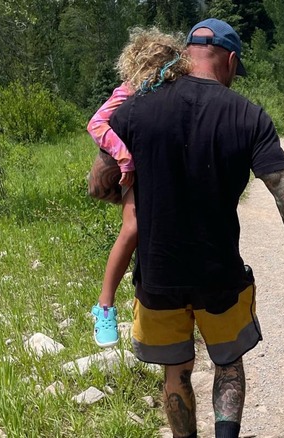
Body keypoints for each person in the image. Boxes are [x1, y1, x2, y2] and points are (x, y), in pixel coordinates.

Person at [109, 18, 284, 438]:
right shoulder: (246, 114)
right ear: (228, 61)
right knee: (227, 364)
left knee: (176, 370)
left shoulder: (135, 108)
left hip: (158, 274)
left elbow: (101, 181)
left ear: (186, 53)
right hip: (219, 273)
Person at [86, 28, 191, 348]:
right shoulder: (128, 91)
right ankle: (104, 307)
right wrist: (124, 157)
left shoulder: (174, 93)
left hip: (164, 171)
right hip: (135, 172)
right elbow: (96, 124)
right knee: (132, 229)